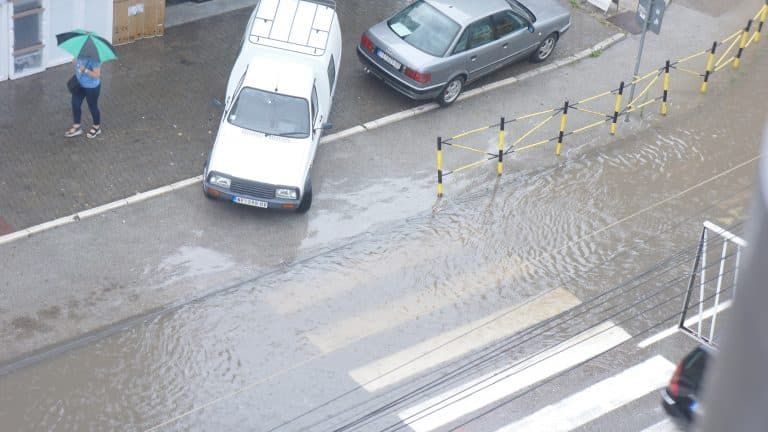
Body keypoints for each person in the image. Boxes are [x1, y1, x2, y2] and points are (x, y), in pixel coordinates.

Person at [64, 56, 102, 139]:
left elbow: (97, 75)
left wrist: (84, 70)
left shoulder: (95, 58)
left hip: (91, 87)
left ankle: (96, 127)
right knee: (75, 104)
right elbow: (76, 63)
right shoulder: (79, 53)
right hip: (79, 84)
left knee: (92, 107)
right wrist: (75, 62)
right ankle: (77, 126)